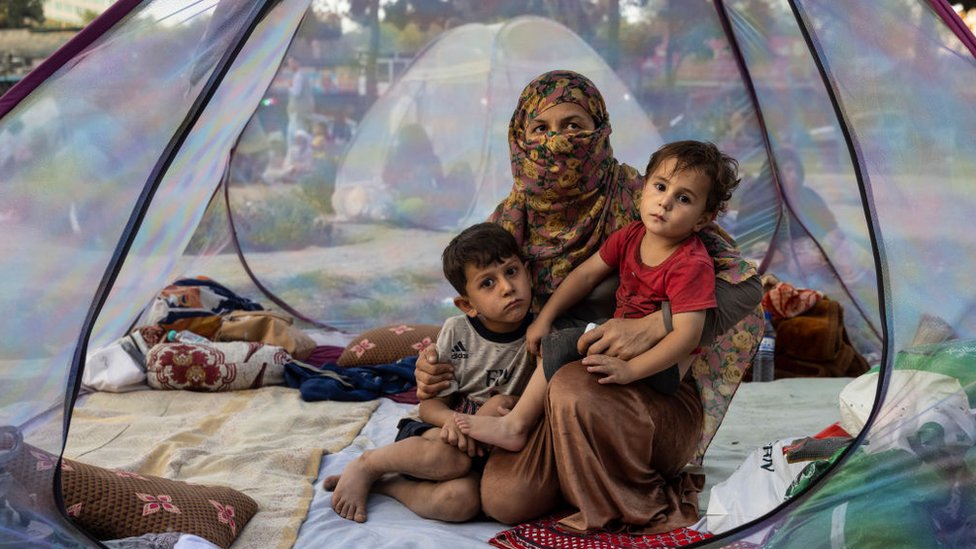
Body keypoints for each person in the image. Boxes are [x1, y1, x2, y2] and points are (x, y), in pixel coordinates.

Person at [414, 69, 763, 533]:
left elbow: (747, 287)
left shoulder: (643, 202)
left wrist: (654, 324)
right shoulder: (510, 220)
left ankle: (611, 485)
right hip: (546, 393)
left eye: (574, 125)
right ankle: (573, 471)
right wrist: (436, 370)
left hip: (642, 393)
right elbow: (484, 310)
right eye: (542, 129)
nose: (558, 142)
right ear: (521, 137)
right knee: (503, 500)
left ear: (599, 129)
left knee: (574, 385)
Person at [454, 140, 740, 453]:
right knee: (559, 327)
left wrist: (632, 370)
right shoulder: (632, 236)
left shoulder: (690, 263)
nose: (665, 203)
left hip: (662, 365)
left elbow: (687, 336)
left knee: (562, 343)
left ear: (702, 219)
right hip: (622, 334)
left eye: (683, 198)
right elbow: (585, 275)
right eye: (660, 187)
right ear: (644, 189)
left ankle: (516, 425)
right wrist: (545, 318)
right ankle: (535, 416)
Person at [323, 222, 537, 523]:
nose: (507, 287)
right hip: (437, 435)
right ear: (467, 305)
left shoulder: (541, 333)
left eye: (511, 272)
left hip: (489, 448)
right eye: (487, 283)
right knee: (449, 458)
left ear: (528, 272)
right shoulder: (458, 332)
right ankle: (368, 465)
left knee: (460, 501)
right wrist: (459, 424)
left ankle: (389, 484)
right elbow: (430, 406)